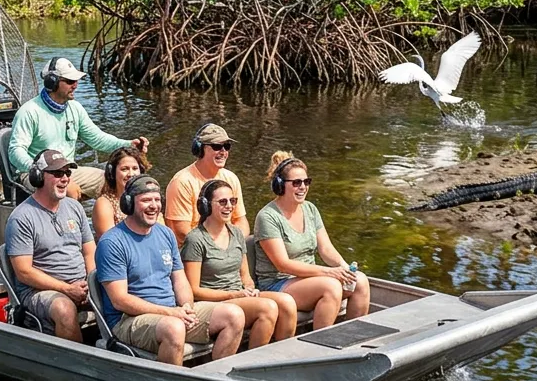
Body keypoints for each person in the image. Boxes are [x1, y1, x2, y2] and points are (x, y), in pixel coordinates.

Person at [95, 175, 244, 366]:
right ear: (129, 203)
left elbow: (180, 280)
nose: (154, 206)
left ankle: (216, 378)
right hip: (129, 320)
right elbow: (120, 300)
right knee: (174, 328)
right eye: (146, 200)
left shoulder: (165, 234)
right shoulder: (112, 242)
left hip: (171, 312)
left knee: (234, 315)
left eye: (157, 200)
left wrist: (187, 307)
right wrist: (170, 313)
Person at [253, 151, 371, 329]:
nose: (303, 187)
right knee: (330, 286)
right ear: (280, 186)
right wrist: (329, 272)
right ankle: (321, 346)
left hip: (311, 279)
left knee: (360, 281)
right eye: (296, 183)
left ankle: (352, 337)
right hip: (279, 283)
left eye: (306, 182)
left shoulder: (310, 209)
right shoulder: (267, 217)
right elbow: (283, 264)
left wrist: (345, 268)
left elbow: (326, 249)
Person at [9, 56, 150, 200]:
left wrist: (128, 144)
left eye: (76, 81)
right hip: (34, 174)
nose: (75, 85)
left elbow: (97, 139)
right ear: (52, 83)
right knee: (71, 190)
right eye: (70, 81)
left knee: (113, 182)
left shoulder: (75, 108)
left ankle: (113, 221)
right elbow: (15, 151)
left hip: (67, 171)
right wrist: (37, 169)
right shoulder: (29, 111)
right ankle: (70, 222)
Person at [180, 179, 297, 347]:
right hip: (215, 303)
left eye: (232, 201)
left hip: (238, 295)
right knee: (268, 308)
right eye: (222, 201)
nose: (229, 206)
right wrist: (233, 295)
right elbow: (193, 290)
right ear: (206, 206)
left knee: (287, 303)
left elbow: (245, 276)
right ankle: (253, 362)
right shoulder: (195, 239)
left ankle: (283, 355)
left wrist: (249, 288)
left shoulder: (236, 233)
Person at [4, 149, 96, 342]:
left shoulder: (75, 208)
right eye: (57, 173)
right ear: (38, 177)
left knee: (124, 292)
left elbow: (89, 252)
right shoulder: (22, 218)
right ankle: (77, 366)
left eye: (67, 173)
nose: (64, 179)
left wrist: (91, 284)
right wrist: (66, 289)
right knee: (64, 309)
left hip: (82, 285)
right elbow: (24, 272)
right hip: (40, 292)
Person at [164, 123, 248, 248]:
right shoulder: (181, 181)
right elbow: (181, 230)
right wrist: (215, 248)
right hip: (193, 252)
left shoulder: (231, 178)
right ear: (200, 148)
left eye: (226, 146)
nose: (223, 151)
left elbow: (241, 221)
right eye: (216, 146)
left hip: (226, 246)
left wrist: (233, 245)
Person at [92, 145, 150, 240]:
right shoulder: (104, 204)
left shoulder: (149, 200)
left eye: (135, 168)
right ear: (112, 173)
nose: (131, 174)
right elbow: (110, 243)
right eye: (124, 169)